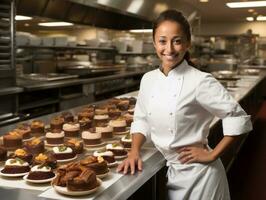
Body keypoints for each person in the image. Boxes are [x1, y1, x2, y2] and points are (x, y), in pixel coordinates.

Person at [116, 9, 252, 200]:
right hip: (173, 173)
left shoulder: (200, 80)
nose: (169, 49)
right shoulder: (148, 79)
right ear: (154, 43)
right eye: (162, 41)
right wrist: (134, 151)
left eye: (177, 41)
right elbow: (141, 119)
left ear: (187, 43)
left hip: (202, 176)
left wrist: (212, 156)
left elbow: (238, 117)